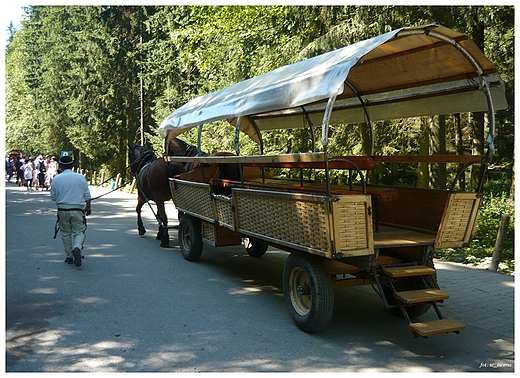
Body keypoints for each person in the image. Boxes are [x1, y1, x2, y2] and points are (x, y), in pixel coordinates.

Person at [50, 155, 92, 267]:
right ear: (72, 165)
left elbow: (53, 197)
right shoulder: (80, 177)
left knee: (65, 233)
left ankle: (69, 256)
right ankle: (77, 247)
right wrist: (88, 207)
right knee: (79, 231)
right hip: (77, 209)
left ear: (60, 166)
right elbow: (87, 195)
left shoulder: (56, 179)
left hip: (62, 209)